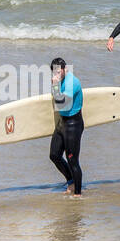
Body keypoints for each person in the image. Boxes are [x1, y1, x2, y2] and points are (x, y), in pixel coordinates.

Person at [49, 57, 84, 196]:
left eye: (59, 71)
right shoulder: (58, 80)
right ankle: (71, 182)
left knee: (72, 160)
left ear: (64, 69)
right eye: (54, 72)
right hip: (62, 123)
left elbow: (63, 104)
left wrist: (56, 85)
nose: (56, 74)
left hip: (73, 124)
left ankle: (78, 194)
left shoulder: (72, 82)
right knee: (54, 155)